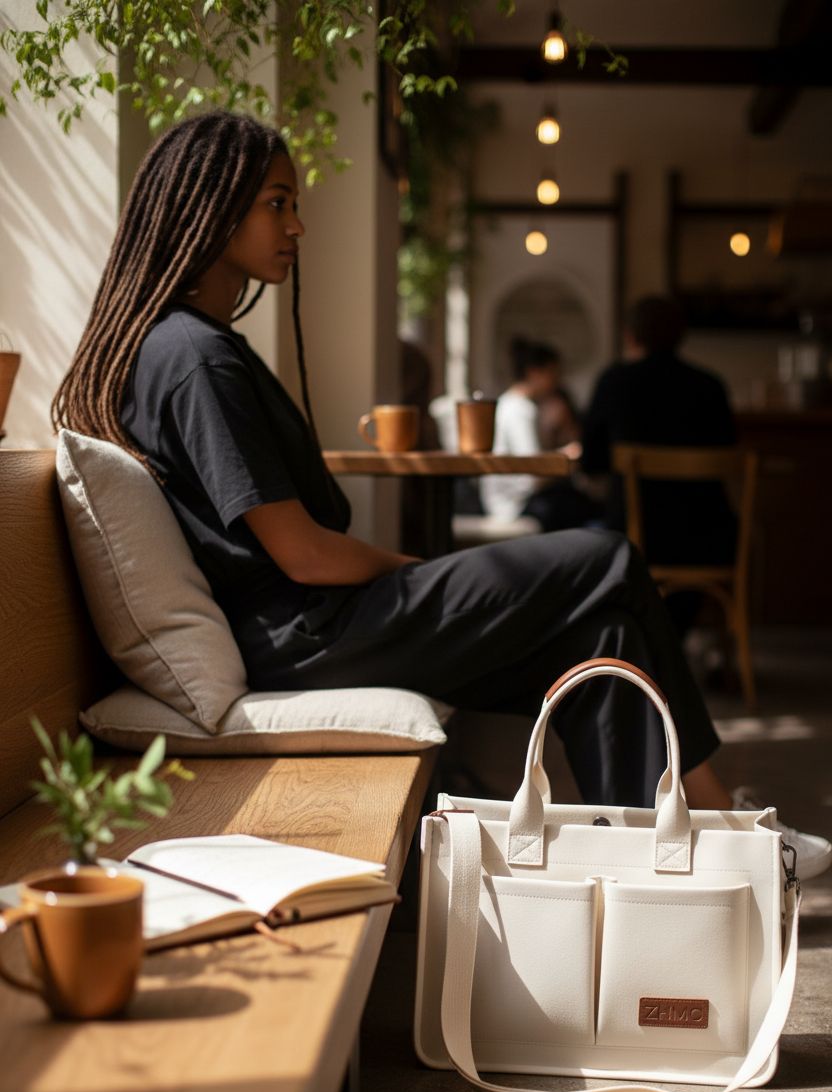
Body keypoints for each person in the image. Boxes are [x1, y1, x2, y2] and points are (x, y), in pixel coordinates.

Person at [51, 112, 829, 877]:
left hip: (311, 626)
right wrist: (413, 569)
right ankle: (738, 831)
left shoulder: (187, 346)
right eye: (277, 203)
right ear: (212, 209)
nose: (297, 226)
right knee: (609, 557)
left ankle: (668, 867)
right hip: (308, 634)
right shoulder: (193, 358)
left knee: (606, 642)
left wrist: (422, 580)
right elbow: (304, 553)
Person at [582, 296, 738, 567]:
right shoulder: (709, 386)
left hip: (633, 534)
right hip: (705, 534)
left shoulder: (614, 382)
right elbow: (727, 453)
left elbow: (591, 462)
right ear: (681, 336)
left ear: (630, 336)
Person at [480, 338, 596, 530]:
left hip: (513, 500)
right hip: (514, 505)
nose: (557, 381)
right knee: (583, 506)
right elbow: (533, 474)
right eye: (553, 373)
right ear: (534, 373)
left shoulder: (514, 405)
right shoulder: (519, 409)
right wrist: (566, 455)